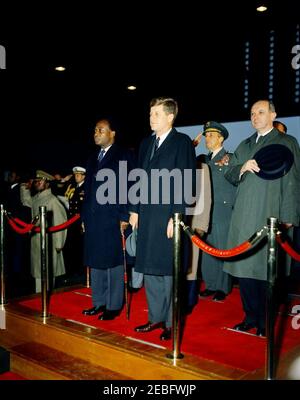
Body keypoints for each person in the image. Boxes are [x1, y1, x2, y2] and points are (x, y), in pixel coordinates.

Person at [224, 100, 300, 336]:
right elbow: (230, 173)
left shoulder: (286, 142)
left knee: (267, 273)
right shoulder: (244, 145)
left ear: (273, 114)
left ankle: (267, 322)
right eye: (252, 113)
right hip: (245, 217)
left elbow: (293, 182)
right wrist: (241, 167)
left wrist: (288, 216)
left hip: (271, 214)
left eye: (260, 112)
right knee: (245, 271)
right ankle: (250, 317)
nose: (255, 117)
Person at [129, 97, 197, 340]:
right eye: (150, 114)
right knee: (150, 269)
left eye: (156, 114)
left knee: (169, 270)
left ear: (170, 117)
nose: (151, 118)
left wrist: (176, 217)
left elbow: (186, 182)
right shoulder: (146, 143)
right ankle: (155, 318)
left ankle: (171, 322)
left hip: (168, 216)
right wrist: (134, 209)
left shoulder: (182, 143)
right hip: (147, 217)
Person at [81, 118, 135, 321]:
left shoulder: (123, 155)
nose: (96, 133)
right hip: (94, 219)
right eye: (95, 130)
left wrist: (125, 216)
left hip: (114, 218)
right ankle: (99, 302)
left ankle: (113, 305)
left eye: (101, 130)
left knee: (113, 262)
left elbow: (130, 186)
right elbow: (87, 191)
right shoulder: (92, 158)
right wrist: (84, 217)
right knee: (95, 262)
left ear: (112, 133)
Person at [199, 121, 236, 301]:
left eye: (211, 135)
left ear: (221, 138)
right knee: (207, 250)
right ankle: (211, 284)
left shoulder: (229, 158)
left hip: (222, 210)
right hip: (206, 211)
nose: (207, 138)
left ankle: (222, 286)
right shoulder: (204, 160)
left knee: (222, 249)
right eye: (206, 135)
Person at [20, 170, 68, 293]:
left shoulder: (52, 200)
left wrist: (59, 244)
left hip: (49, 243)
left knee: (47, 277)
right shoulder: (37, 198)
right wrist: (24, 187)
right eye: (36, 181)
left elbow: (60, 222)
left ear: (47, 183)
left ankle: (46, 303)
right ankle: (39, 302)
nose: (37, 183)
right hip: (37, 241)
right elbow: (26, 201)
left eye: (40, 181)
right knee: (38, 275)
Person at [63, 166, 86, 281]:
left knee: (81, 247)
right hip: (73, 222)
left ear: (83, 176)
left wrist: (83, 222)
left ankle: (81, 272)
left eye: (78, 175)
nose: (76, 177)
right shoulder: (73, 188)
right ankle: (74, 271)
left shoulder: (86, 188)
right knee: (73, 247)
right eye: (75, 175)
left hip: (81, 222)